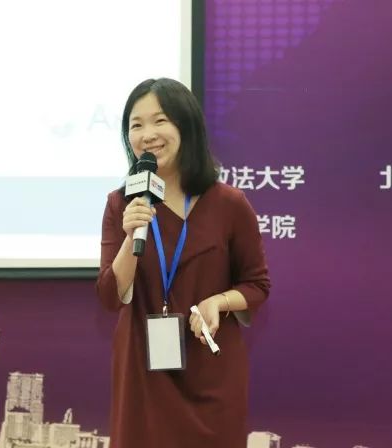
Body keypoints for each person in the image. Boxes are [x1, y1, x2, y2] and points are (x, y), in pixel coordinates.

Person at [95, 78, 270, 448]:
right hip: (144, 369)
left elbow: (257, 285)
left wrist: (218, 302)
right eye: (136, 125)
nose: (148, 135)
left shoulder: (229, 204)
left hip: (211, 368)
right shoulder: (121, 203)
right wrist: (131, 235)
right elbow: (111, 295)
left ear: (185, 126)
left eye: (160, 121)